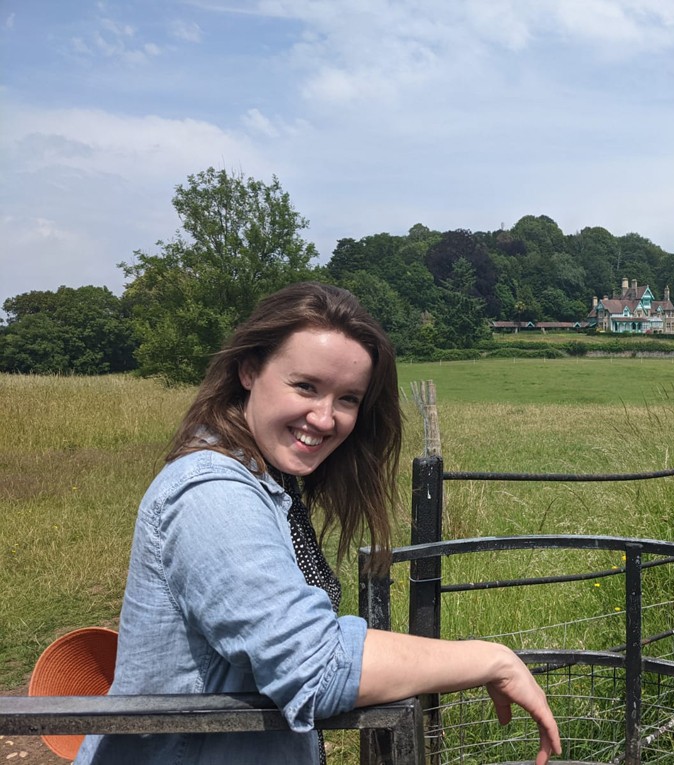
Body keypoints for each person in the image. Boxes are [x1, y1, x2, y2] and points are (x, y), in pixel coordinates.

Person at [75, 283, 560, 765]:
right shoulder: (213, 493)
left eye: (348, 398)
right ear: (249, 370)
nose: (325, 418)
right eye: (305, 386)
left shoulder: (270, 482)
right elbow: (316, 667)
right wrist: (490, 659)